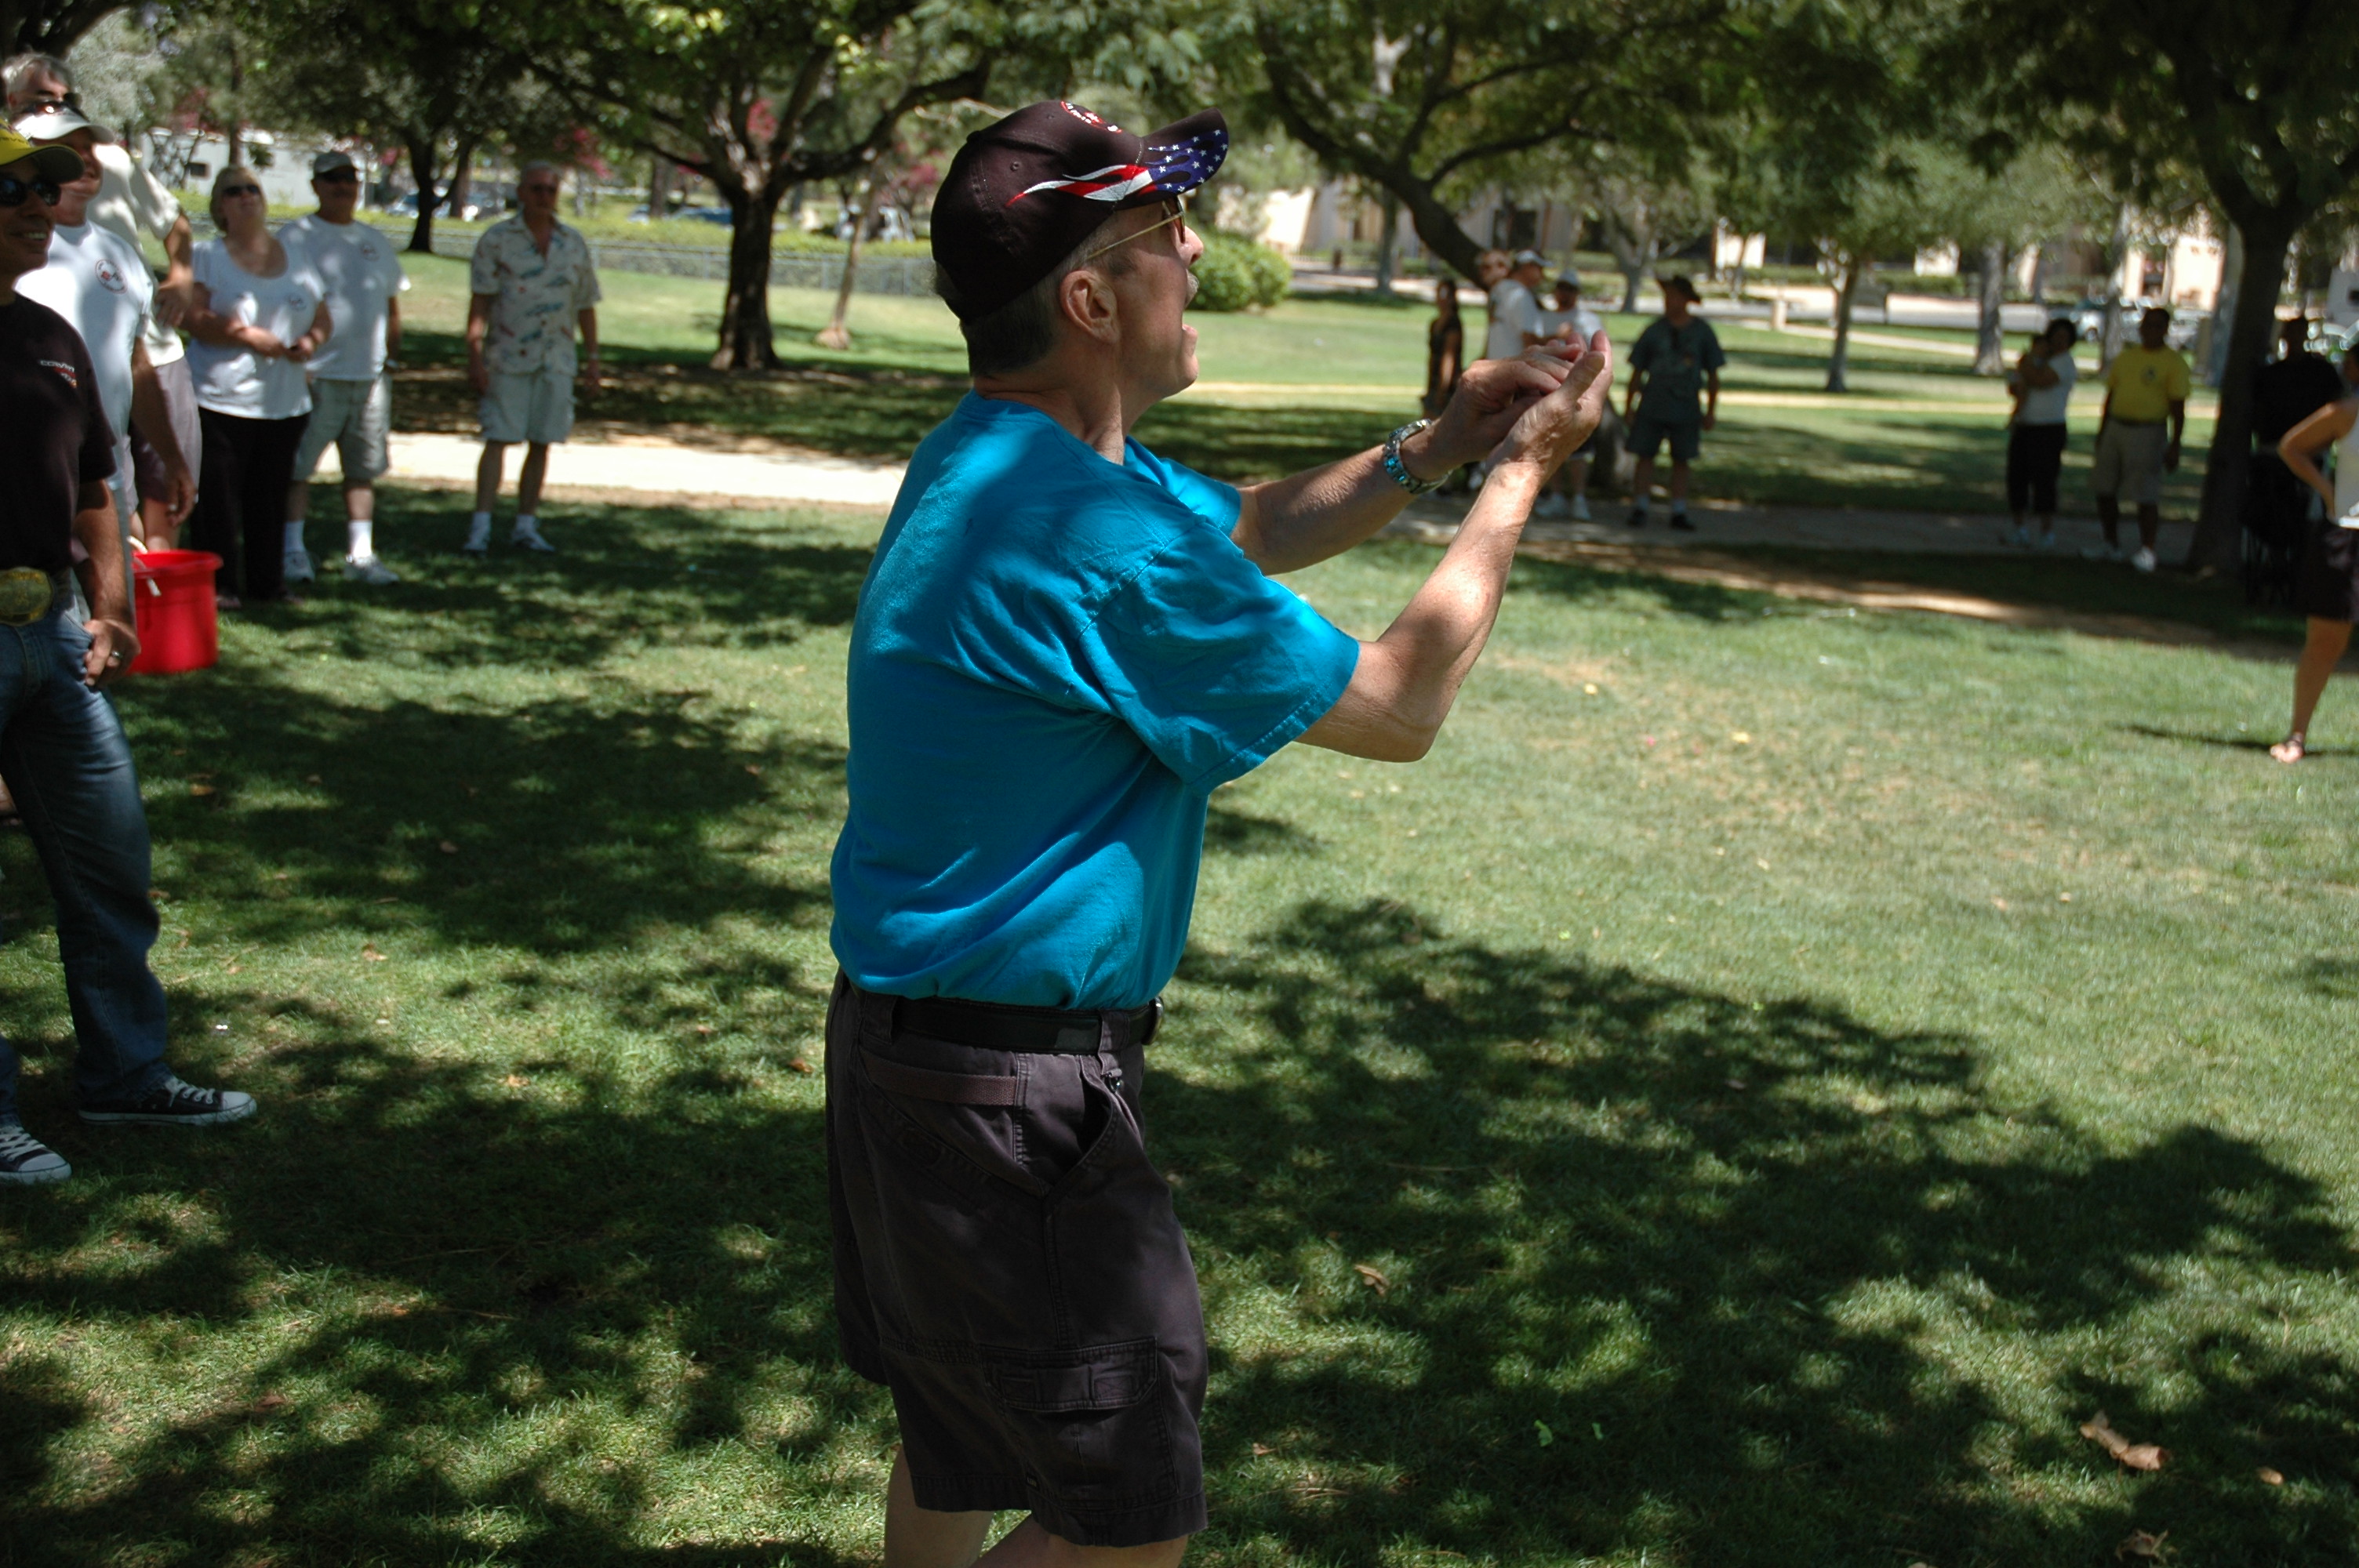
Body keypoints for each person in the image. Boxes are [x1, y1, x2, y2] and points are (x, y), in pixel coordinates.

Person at [828, 100, 1608, 1567]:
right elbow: (1395, 703)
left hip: (904, 1055)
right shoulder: (1087, 529)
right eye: (1162, 236)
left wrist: (1427, 447)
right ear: (1088, 299)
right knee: (1126, 1522)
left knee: (957, 1444)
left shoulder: (1005, 462)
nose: (1193, 253)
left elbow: (1243, 524)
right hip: (1011, 1098)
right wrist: (1520, 481)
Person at [0, 124, 257, 1186]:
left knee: (109, 864)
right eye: (14, 188)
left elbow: (97, 478)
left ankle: (126, 1074)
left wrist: (108, 607)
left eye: (45, 190)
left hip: (51, 640)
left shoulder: (44, 334)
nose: (37, 204)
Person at [4, 53, 198, 553]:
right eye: (68, 149)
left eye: (89, 145)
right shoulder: (15, 253)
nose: (88, 158)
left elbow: (136, 366)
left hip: (105, 476)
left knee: (110, 620)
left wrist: (174, 460)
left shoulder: (122, 256)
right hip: (26, 479)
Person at [184, 165, 331, 609]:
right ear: (220, 206)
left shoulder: (298, 256)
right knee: (218, 499)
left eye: (253, 188)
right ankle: (221, 586)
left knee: (269, 496)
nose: (247, 196)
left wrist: (311, 341)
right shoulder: (206, 255)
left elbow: (323, 315)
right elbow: (193, 317)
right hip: (221, 398)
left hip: (285, 403)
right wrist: (247, 337)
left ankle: (269, 585)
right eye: (234, 191)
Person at [280, 151, 408, 586]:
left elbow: (392, 304)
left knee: (362, 471)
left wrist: (390, 358)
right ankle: (292, 551)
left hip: (369, 378)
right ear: (315, 185)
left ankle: (361, 555)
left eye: (350, 178)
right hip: (315, 375)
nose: (342, 186)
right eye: (332, 178)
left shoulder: (373, 240)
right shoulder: (295, 237)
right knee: (297, 471)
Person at [464, 162, 600, 554]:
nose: (544, 197)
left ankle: (526, 525)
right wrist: (474, 353)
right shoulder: (497, 239)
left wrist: (592, 358)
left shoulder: (572, 243)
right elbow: (480, 303)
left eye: (551, 190)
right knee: (499, 438)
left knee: (543, 440)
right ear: (521, 193)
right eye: (536, 188)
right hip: (507, 357)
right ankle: (480, 528)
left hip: (556, 357)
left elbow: (586, 304)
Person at [2266, 340, 2359, 764]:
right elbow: (2292, 447)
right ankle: (2297, 736)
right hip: (2346, 534)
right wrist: (2328, 492)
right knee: (2325, 640)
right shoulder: (2346, 413)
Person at [2085, 305, 2189, 572]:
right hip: (2116, 427)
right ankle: (2111, 544)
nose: (2150, 330)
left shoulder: (2173, 362)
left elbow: (2178, 407)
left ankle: (2147, 550)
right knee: (2104, 488)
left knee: (2145, 494)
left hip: (2148, 431)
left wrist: (2175, 445)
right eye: (2147, 324)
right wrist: (2102, 431)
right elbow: (2111, 396)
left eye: (2157, 325)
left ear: (2166, 330)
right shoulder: (2127, 357)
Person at [1622, 274, 1724, 531]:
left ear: (1687, 300)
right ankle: (1640, 506)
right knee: (1645, 455)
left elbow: (1713, 373)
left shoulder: (1702, 332)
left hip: (1686, 407)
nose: (1670, 302)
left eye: (1676, 296)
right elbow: (1637, 371)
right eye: (1667, 296)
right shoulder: (1654, 330)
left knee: (1682, 458)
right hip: (1652, 404)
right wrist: (1629, 406)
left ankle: (1678, 509)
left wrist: (1711, 411)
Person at [1535, 270, 1604, 519]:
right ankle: (1556, 496)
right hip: (1549, 386)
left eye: (1570, 289)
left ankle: (1579, 498)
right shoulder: (1544, 318)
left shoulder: (1588, 319)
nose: (1564, 294)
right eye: (1561, 288)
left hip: (1580, 388)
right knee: (1552, 441)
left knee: (1580, 446)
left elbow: (1599, 352)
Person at [2005, 318, 2078, 549]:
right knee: (2017, 479)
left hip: (2049, 428)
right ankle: (2020, 529)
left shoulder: (2064, 363)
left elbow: (2039, 381)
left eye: (2063, 338)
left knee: (2045, 481)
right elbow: (2016, 387)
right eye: (2055, 337)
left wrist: (2025, 363)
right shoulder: (2038, 360)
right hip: (2025, 425)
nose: (2058, 342)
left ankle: (2047, 533)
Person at [1484, 247, 1547, 362]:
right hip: (1514, 371)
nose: (1542, 275)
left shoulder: (1497, 290)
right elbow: (1530, 342)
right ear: (1528, 267)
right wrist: (1557, 337)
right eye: (1540, 269)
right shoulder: (1521, 295)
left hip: (1495, 367)